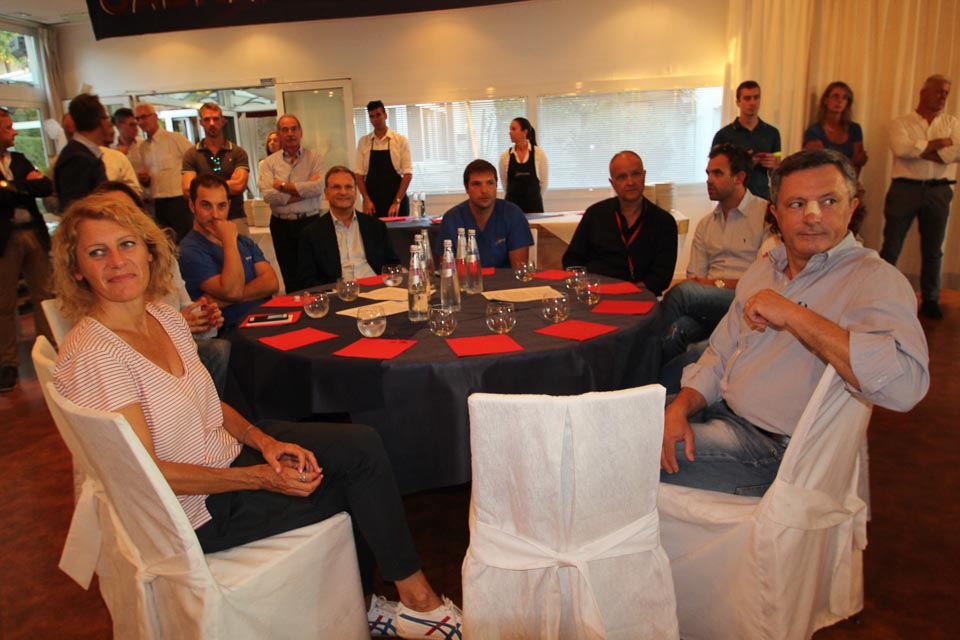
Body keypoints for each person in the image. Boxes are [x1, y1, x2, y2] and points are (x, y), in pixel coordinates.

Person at [50, 193, 463, 639]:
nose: (117, 261)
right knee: (349, 483)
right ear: (77, 269)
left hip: (224, 456)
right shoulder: (96, 355)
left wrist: (262, 442)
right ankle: (415, 603)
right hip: (196, 511)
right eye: (97, 252)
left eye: (127, 244)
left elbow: (209, 404)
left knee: (361, 443)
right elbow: (146, 474)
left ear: (149, 252)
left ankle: (372, 603)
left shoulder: (163, 317)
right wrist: (259, 478)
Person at [660, 149, 929, 496]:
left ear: (852, 207)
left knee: (622, 451)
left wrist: (795, 314)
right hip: (719, 410)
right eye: (797, 204)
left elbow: (905, 389)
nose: (812, 216)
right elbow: (718, 354)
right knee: (613, 422)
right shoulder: (765, 269)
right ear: (776, 213)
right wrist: (681, 407)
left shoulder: (874, 280)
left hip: (769, 450)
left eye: (829, 201)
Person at [93, 180, 232, 398]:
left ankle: (206, 410)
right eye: (109, 214)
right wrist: (174, 325)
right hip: (135, 363)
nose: (119, 222)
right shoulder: (102, 273)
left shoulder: (165, 260)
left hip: (176, 347)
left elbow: (187, 309)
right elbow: (113, 339)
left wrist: (204, 317)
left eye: (128, 213)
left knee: (220, 350)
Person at [658, 143, 769, 374]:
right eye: (708, 173)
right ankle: (659, 383)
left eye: (717, 173)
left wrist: (710, 284)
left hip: (749, 300)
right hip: (712, 303)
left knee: (682, 293)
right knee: (674, 332)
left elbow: (765, 279)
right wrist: (705, 285)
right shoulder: (706, 224)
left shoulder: (765, 215)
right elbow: (696, 276)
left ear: (739, 177)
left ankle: (640, 358)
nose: (709, 180)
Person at [880, 74, 960, 320]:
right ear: (924, 92)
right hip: (905, 188)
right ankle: (880, 296)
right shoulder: (901, 123)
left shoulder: (952, 123)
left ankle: (931, 298)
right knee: (892, 246)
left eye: (946, 93)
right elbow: (901, 149)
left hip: (939, 190)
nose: (943, 96)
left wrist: (921, 148)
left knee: (934, 248)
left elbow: (957, 151)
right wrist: (941, 143)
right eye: (939, 91)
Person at [563, 151, 677, 295]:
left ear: (644, 175)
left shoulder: (664, 222)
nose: (630, 182)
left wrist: (626, 292)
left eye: (635, 174)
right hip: (596, 294)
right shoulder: (595, 214)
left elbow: (662, 277)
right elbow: (572, 259)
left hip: (640, 297)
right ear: (612, 183)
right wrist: (587, 286)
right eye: (622, 177)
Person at [179, 175, 278, 330]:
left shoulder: (243, 241)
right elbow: (233, 292)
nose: (215, 214)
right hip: (232, 331)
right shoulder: (190, 250)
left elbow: (271, 283)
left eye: (221, 206)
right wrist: (229, 241)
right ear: (192, 206)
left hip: (268, 319)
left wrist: (222, 300)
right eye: (206, 205)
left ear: (229, 205)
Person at [0, 108, 54, 391]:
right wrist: (23, 186)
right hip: (5, 239)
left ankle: (50, 350)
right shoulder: (21, 167)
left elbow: (44, 186)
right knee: (4, 302)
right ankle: (7, 363)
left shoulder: (19, 159)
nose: (14, 131)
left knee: (44, 295)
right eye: (8, 127)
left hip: (33, 232)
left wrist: (11, 187)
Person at [298, 166, 400, 288]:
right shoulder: (311, 234)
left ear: (355, 192)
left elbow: (393, 265)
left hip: (377, 289)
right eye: (336, 187)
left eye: (348, 187)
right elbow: (308, 280)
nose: (343, 192)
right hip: (338, 293)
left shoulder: (376, 226)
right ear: (326, 193)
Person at [258, 114, 324, 292]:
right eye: (285, 130)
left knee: (313, 272)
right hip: (281, 225)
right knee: (290, 275)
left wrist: (282, 186)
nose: (290, 133)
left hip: (310, 221)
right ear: (279, 134)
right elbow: (268, 196)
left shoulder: (315, 158)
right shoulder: (268, 163)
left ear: (301, 132)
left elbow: (318, 188)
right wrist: (304, 190)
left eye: (294, 129)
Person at [439, 159, 533, 269]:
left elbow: (519, 271)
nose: (484, 190)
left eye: (490, 183)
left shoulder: (513, 215)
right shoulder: (451, 219)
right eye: (476, 184)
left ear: (496, 185)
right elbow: (448, 272)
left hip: (506, 280)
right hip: (466, 280)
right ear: (466, 188)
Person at [182, 102, 251, 236]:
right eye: (207, 119)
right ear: (201, 122)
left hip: (235, 217)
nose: (212, 123)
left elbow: (239, 186)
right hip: (204, 221)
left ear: (223, 121)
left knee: (242, 249)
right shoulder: (192, 154)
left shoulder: (237, 153)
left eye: (215, 119)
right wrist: (227, 184)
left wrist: (202, 187)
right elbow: (186, 190)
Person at [128, 102, 194, 242]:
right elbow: (148, 181)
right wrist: (145, 180)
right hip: (158, 203)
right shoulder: (143, 147)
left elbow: (194, 160)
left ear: (155, 117)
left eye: (144, 117)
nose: (141, 122)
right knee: (165, 241)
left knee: (186, 241)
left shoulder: (174, 139)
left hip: (179, 200)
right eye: (138, 119)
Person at [712, 81, 781, 200]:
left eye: (756, 97)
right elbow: (714, 171)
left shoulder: (772, 133)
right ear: (738, 102)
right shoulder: (723, 135)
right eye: (747, 98)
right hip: (733, 198)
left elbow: (777, 173)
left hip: (762, 197)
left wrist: (774, 166)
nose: (752, 103)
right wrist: (744, 163)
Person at [356, 100, 413, 218]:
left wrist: (397, 202)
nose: (375, 119)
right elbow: (359, 176)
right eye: (371, 116)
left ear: (385, 115)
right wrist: (366, 199)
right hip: (372, 205)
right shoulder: (364, 142)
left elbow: (407, 174)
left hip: (396, 203)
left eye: (378, 115)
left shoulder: (400, 141)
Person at [53, 93, 108, 210]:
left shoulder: (83, 152)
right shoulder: (77, 158)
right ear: (100, 121)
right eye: (106, 118)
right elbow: (76, 209)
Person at [803, 81, 868, 173]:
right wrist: (852, 161)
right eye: (835, 96)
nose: (840, 101)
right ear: (826, 100)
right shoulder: (814, 131)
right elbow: (820, 165)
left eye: (845, 97)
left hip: (849, 180)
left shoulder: (854, 129)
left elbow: (858, 165)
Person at [498, 117, 548, 213]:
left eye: (513, 129)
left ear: (524, 132)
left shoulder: (539, 154)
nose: (510, 132)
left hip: (534, 206)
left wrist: (533, 197)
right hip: (512, 207)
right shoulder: (505, 156)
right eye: (510, 129)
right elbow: (505, 184)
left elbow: (544, 183)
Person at [98, 112, 142, 197]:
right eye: (131, 125)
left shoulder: (143, 145)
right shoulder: (111, 152)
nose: (136, 128)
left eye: (136, 125)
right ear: (119, 125)